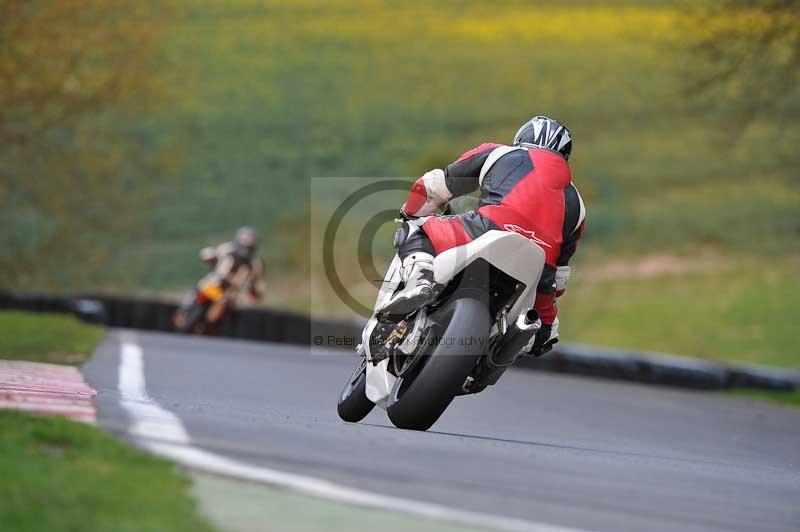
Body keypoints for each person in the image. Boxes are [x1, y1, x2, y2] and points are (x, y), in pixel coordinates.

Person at [380, 116, 586, 357]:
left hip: (489, 228)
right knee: (543, 331)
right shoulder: (578, 205)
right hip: (540, 269)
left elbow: (432, 186)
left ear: (521, 138)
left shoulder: (499, 153)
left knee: (419, 230)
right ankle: (513, 344)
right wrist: (547, 318)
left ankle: (423, 280)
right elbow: (559, 278)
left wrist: (410, 213)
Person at [198, 226, 265, 303]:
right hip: (213, 285)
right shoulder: (228, 249)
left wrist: (252, 287)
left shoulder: (254, 261)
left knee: (229, 302)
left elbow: (255, 280)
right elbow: (210, 255)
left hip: (230, 291)